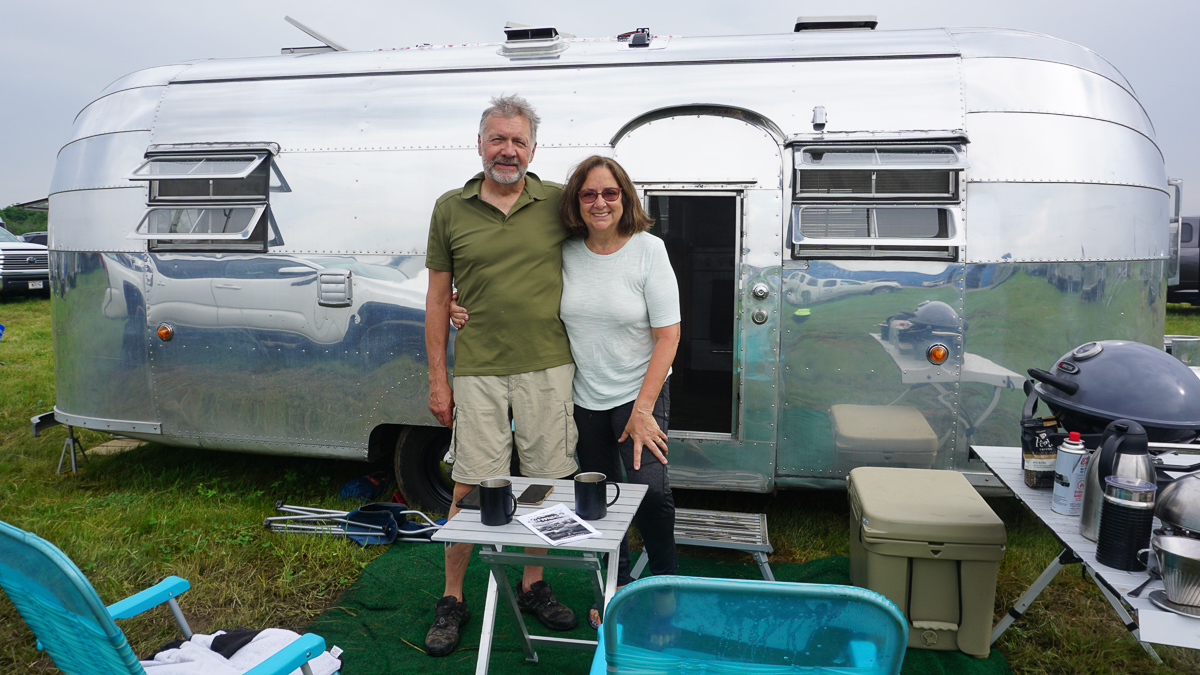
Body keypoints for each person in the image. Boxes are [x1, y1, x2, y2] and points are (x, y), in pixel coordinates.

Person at [452, 155, 681, 629]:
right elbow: (514, 278)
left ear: (625, 197)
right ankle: (615, 597)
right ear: (576, 202)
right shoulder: (567, 249)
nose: (600, 202)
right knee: (602, 504)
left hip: (638, 396)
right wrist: (462, 302)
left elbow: (669, 335)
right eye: (589, 194)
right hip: (584, 400)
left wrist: (643, 410)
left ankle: (666, 592)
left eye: (611, 193)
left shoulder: (648, 250)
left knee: (651, 496)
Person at [423, 94, 579, 658]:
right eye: (497, 139)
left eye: (518, 141)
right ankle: (453, 598)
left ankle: (532, 584)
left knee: (544, 484)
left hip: (548, 365)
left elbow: (604, 250)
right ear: (481, 143)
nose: (507, 150)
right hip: (479, 371)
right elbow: (439, 299)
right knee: (469, 486)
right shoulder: (450, 208)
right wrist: (439, 381)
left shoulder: (560, 202)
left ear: (533, 149)